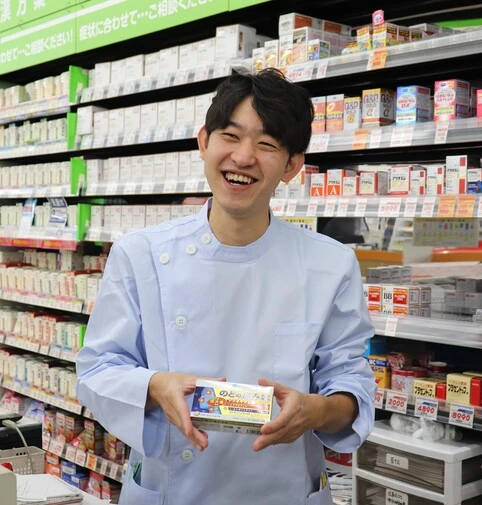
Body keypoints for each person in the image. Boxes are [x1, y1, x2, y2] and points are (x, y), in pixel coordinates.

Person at [75, 69, 377, 505]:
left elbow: (351, 381)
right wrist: (156, 387)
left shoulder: (329, 264)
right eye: (230, 136)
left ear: (292, 166)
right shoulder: (140, 254)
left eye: (267, 144)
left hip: (282, 491)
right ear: (204, 142)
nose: (244, 157)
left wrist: (317, 410)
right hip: (172, 491)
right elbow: (97, 370)